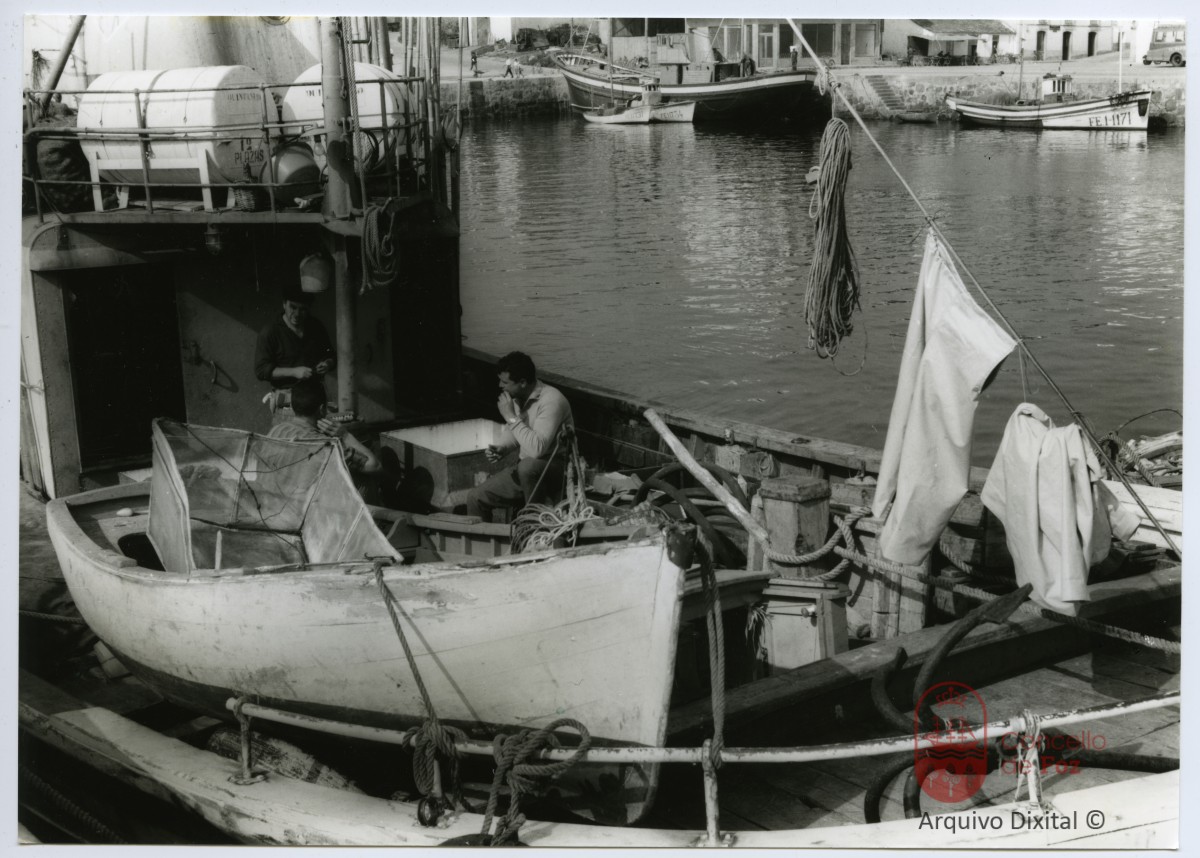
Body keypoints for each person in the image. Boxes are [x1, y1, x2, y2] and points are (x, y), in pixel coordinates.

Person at [466, 352, 573, 522]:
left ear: (522, 382)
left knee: (527, 466)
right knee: (475, 497)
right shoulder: (518, 397)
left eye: (505, 382)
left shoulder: (551, 401)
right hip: (526, 470)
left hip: (556, 470)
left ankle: (533, 522)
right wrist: (502, 447)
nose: (500, 386)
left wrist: (510, 416)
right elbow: (516, 432)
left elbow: (537, 449)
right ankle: (483, 538)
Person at [267, 378, 380, 476]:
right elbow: (375, 466)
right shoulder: (325, 445)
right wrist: (345, 435)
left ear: (292, 406)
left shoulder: (275, 431)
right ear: (322, 409)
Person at [254, 288, 335, 419]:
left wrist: (327, 364)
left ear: (309, 308)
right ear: (284, 304)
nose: (297, 314)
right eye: (293, 307)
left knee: (320, 432)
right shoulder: (270, 331)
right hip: (287, 401)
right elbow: (261, 370)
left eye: (302, 309)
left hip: (315, 398)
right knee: (290, 432)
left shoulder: (315, 326)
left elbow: (331, 355)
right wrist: (293, 372)